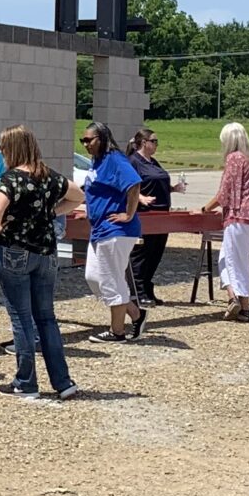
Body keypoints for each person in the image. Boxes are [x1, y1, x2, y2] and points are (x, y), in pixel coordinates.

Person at [0, 124, 82, 401]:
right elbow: (79, 196)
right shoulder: (49, 176)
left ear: (11, 149)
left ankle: (26, 382)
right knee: (46, 317)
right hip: (46, 253)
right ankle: (63, 382)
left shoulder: (10, 179)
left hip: (14, 251)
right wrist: (51, 211)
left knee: (20, 317)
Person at [79, 122, 146, 340]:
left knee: (111, 279)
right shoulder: (96, 162)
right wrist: (88, 212)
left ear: (102, 138)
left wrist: (128, 213)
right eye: (83, 141)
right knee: (94, 277)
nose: (86, 144)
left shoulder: (114, 159)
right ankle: (135, 314)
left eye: (89, 140)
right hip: (100, 229)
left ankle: (117, 331)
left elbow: (134, 185)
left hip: (116, 229)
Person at [202, 122, 249, 322]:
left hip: (240, 216)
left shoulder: (234, 158)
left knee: (235, 262)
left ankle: (243, 306)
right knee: (230, 258)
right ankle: (233, 296)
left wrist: (205, 208)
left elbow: (225, 193)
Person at [126, 128, 174, 305]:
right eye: (153, 141)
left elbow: (157, 181)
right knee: (142, 253)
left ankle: (147, 287)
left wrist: (173, 188)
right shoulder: (133, 162)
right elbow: (126, 186)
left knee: (156, 253)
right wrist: (140, 197)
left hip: (162, 213)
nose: (156, 145)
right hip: (145, 214)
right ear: (144, 143)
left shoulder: (153, 162)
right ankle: (137, 291)